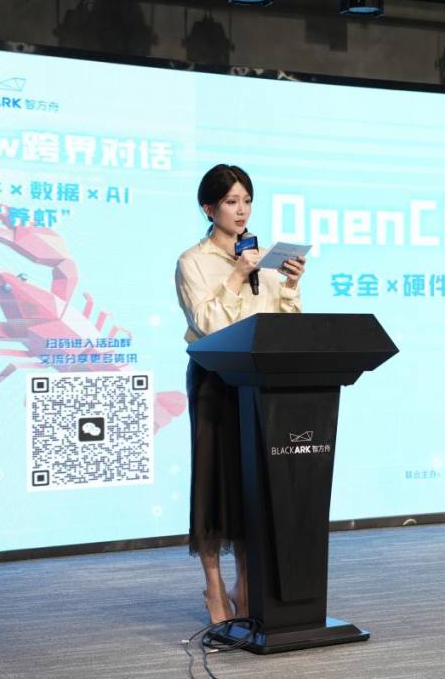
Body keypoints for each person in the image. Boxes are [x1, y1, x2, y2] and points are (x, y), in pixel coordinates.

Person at [175, 164, 307, 624]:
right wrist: (235, 275)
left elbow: (284, 325)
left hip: (260, 381)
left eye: (247, 201)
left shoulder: (265, 257)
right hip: (215, 380)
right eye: (231, 202)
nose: (242, 210)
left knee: (253, 484)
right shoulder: (192, 261)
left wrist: (289, 285)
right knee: (216, 482)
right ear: (209, 208)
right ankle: (214, 588)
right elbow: (207, 324)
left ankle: (246, 584)